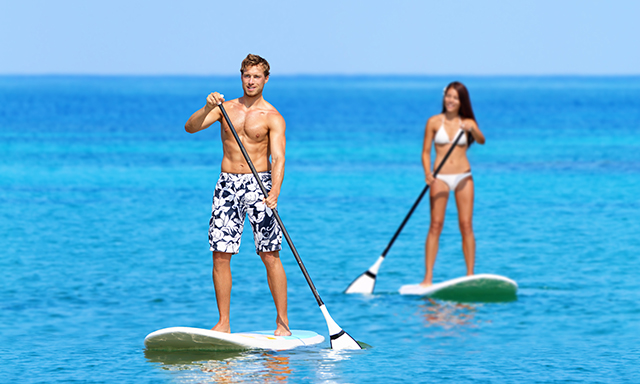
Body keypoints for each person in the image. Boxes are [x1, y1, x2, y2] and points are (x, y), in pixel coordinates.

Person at [184, 54, 290, 336]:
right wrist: (206, 107)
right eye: (247, 76)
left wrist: (275, 190)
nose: (251, 81)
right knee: (220, 254)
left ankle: (282, 323)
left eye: (257, 76)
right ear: (241, 77)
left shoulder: (273, 117)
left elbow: (278, 158)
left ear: (266, 79)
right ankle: (223, 323)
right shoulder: (225, 109)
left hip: (261, 186)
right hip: (227, 185)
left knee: (270, 254)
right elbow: (191, 127)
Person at [420, 81, 486, 286]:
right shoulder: (433, 122)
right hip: (439, 177)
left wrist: (473, 129)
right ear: (444, 97)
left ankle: (469, 275)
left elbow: (482, 140)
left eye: (455, 98)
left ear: (461, 101)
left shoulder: (467, 123)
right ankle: (428, 277)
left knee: (466, 226)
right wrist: (427, 173)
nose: (451, 100)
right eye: (448, 96)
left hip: (463, 176)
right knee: (435, 225)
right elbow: (425, 151)